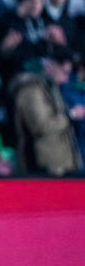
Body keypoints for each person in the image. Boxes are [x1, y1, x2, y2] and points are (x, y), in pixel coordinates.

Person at [10, 47, 83, 176]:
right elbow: (41, 126)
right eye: (64, 72)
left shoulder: (51, 87)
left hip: (61, 165)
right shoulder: (31, 90)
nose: (66, 79)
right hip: (42, 168)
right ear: (50, 65)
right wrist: (71, 115)